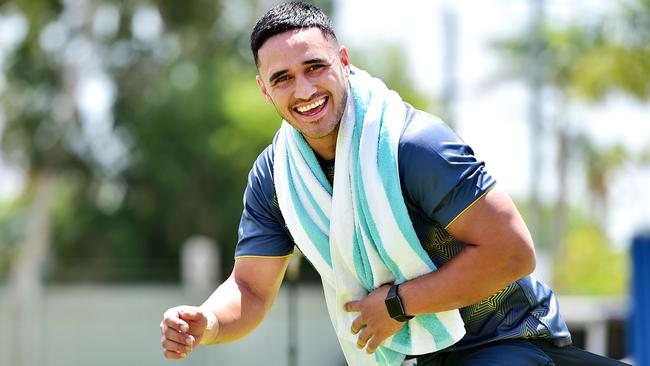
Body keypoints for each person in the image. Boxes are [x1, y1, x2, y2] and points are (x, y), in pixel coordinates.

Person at [160, 2, 630, 365]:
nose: (303, 90)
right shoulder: (277, 177)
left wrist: (399, 304)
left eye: (315, 67)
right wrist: (207, 322)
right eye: (282, 78)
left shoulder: (413, 146)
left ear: (342, 61)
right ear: (265, 89)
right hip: (405, 356)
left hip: (505, 338)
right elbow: (252, 288)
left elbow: (512, 252)